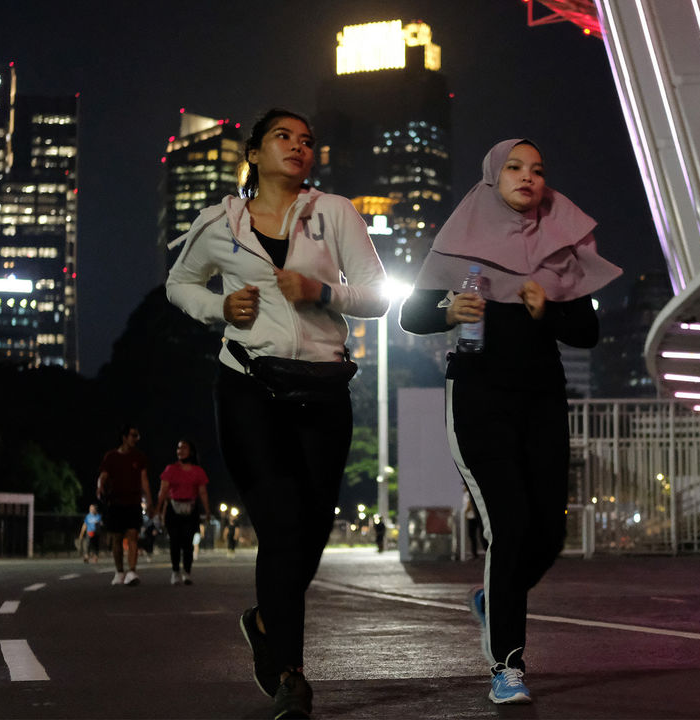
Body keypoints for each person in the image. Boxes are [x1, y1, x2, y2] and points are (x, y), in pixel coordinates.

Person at [166, 107, 388, 719]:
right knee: (283, 520)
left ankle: (265, 619)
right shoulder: (219, 221)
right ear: (254, 153)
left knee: (312, 529)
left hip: (321, 389)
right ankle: (291, 671)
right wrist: (219, 308)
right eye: (282, 138)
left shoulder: (336, 213)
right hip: (248, 388)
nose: (298, 147)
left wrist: (324, 292)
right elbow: (179, 283)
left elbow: (377, 295)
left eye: (308, 141)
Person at [400, 139, 620, 705]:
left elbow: (587, 333)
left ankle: (491, 599)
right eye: (515, 168)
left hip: (543, 398)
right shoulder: (461, 239)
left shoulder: (560, 247)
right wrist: (449, 309)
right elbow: (413, 314)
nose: (528, 177)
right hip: (478, 397)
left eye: (538, 170)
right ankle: (508, 666)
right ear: (493, 177)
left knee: (550, 530)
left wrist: (547, 306)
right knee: (512, 525)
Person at [96, 424, 154, 586]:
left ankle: (132, 571)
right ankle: (119, 571)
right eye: (133, 435)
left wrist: (149, 501)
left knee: (133, 535)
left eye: (137, 436)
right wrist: (100, 486)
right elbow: (103, 475)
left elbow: (144, 480)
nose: (136, 439)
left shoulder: (139, 457)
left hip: (134, 502)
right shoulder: (111, 456)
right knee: (116, 538)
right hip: (115, 502)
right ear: (124, 437)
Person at [156, 439, 212, 585]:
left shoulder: (198, 471)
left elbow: (203, 493)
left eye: (184, 448)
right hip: (173, 509)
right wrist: (157, 509)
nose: (180, 451)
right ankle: (175, 572)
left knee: (188, 543)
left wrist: (207, 512)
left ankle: (187, 572)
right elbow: (163, 491)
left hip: (191, 509)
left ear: (191, 451)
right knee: (174, 541)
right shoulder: (171, 469)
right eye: (178, 448)